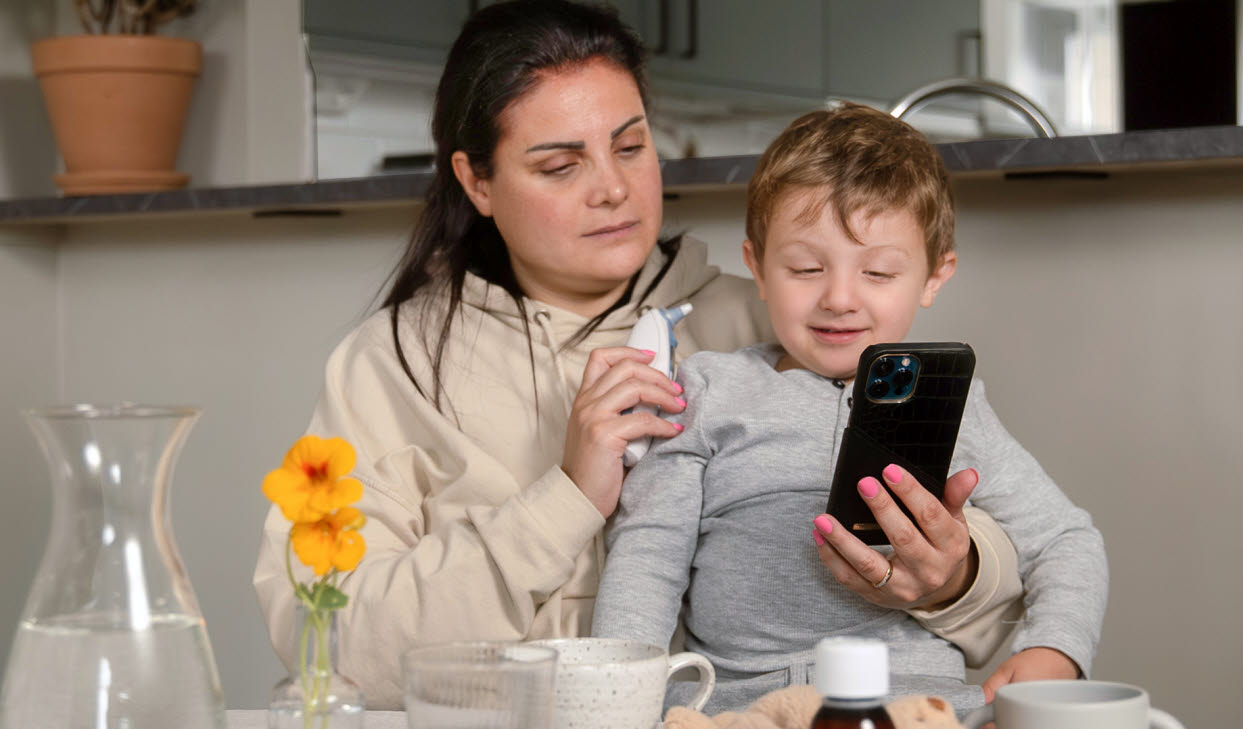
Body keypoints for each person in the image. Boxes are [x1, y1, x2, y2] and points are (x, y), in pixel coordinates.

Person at [253, 0, 1025, 710]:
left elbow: (1007, 583)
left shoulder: (785, 324)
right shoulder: (392, 365)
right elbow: (327, 645)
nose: (613, 189)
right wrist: (565, 499)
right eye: (562, 165)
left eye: (631, 146)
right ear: (476, 180)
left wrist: (955, 576)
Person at [591, 104, 1109, 716]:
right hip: (745, 704)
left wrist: (1056, 648)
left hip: (922, 706)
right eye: (805, 268)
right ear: (756, 266)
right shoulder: (706, 393)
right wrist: (617, 704)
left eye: (879, 271)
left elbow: (1067, 538)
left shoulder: (956, 405)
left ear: (933, 277)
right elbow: (645, 562)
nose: (839, 298)